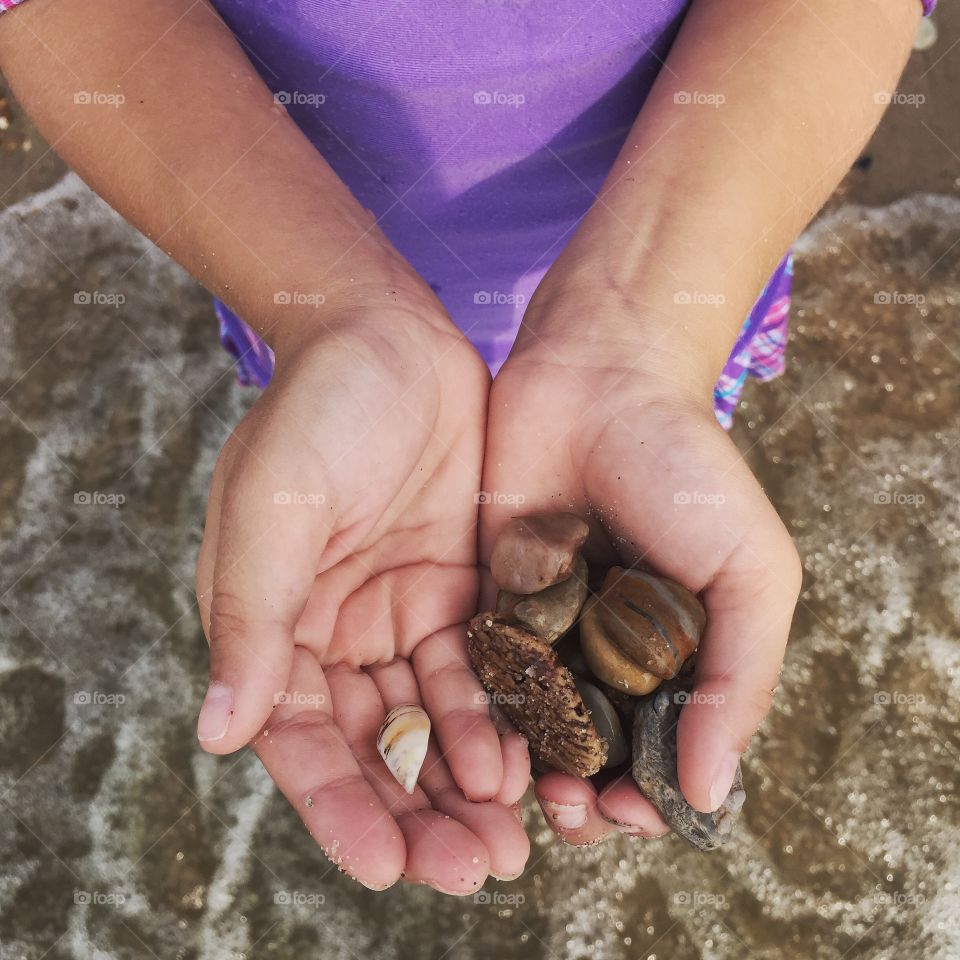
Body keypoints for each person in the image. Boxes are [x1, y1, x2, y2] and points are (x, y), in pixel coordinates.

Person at [0, 0, 931, 893]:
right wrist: (333, 315)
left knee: (654, 459)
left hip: (685, 253)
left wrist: (647, 335)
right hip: (296, 236)